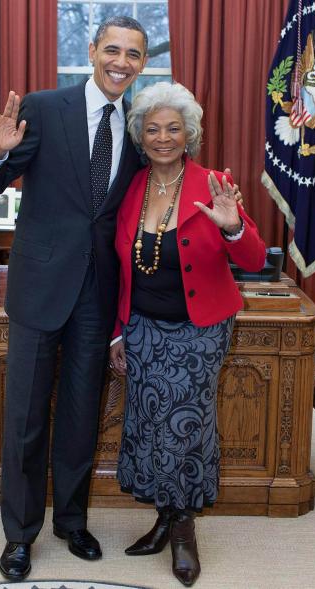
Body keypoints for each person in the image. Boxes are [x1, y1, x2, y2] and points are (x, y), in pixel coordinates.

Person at [0, 16, 148, 581]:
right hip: (40, 290)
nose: (121, 62)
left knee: (78, 417)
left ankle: (71, 521)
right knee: (24, 419)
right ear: (93, 51)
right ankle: (20, 535)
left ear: (142, 64)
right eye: (112, 50)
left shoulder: (140, 128)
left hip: (98, 296)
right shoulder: (45, 108)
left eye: (134, 55)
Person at [109, 82, 266, 586]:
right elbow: (122, 268)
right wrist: (119, 333)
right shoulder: (132, 185)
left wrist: (232, 227)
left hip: (199, 331)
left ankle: (182, 531)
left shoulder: (214, 183)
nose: (162, 138)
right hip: (143, 329)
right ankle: (162, 517)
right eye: (152, 129)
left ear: (189, 133)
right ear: (140, 136)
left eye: (173, 128)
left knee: (185, 426)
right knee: (150, 423)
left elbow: (255, 259)